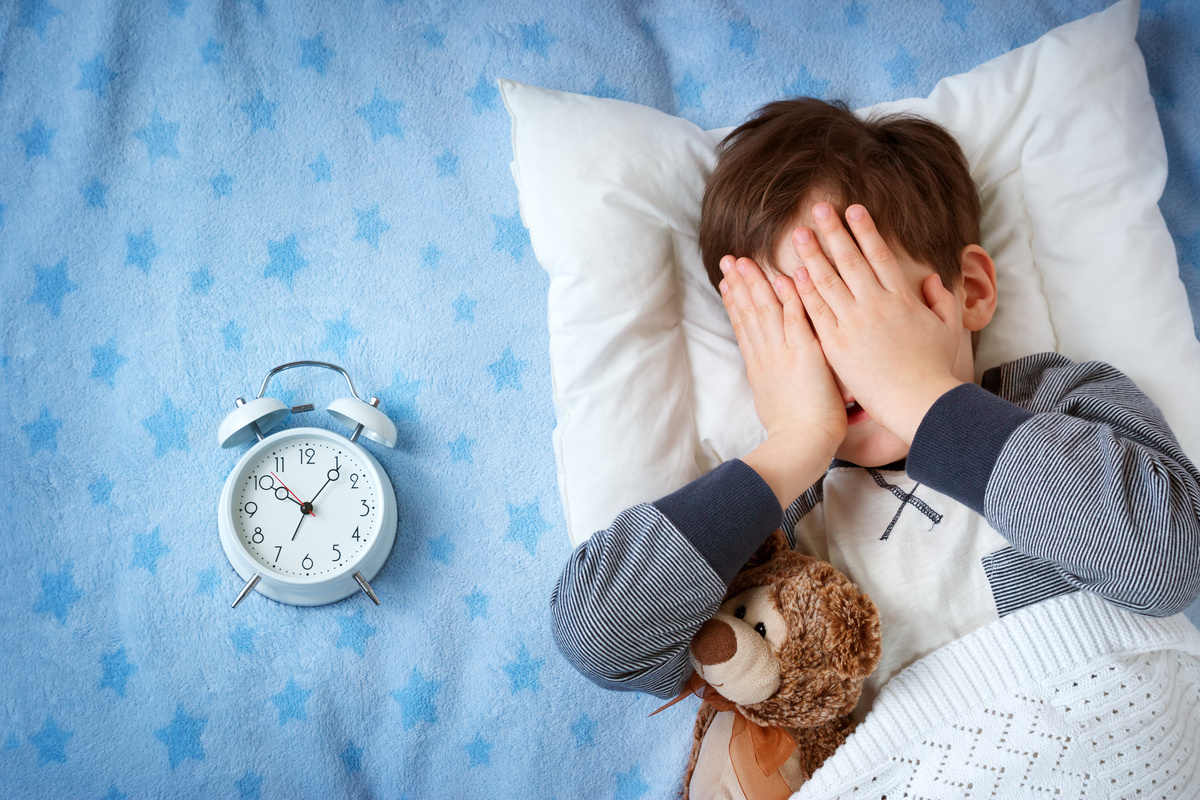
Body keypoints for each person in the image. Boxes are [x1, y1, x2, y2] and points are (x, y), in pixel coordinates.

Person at [549, 97, 1200, 715]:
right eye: (795, 330)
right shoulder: (778, 520)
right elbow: (600, 637)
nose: (835, 356)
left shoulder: (1060, 405)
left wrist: (920, 394)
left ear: (967, 290)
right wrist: (795, 440)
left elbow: (1171, 565)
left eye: (854, 306)